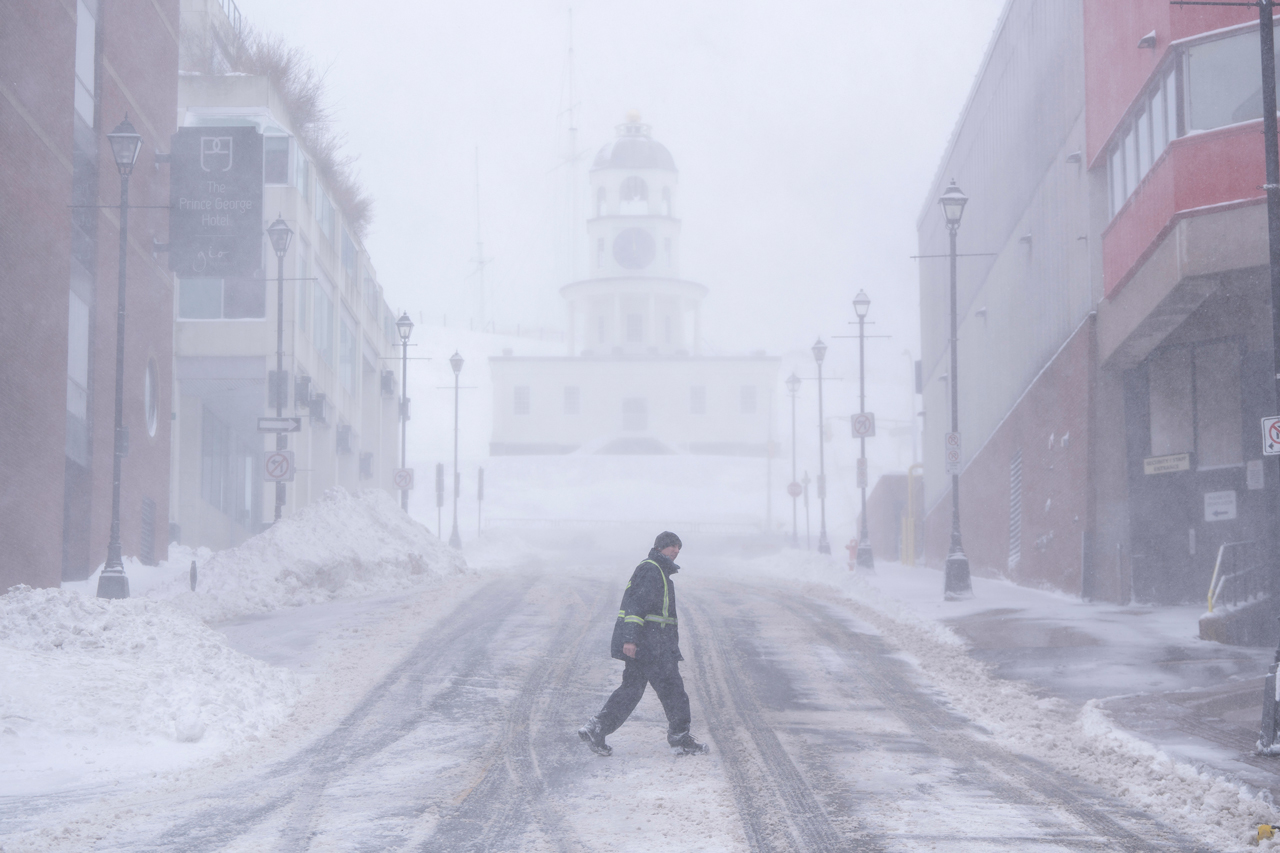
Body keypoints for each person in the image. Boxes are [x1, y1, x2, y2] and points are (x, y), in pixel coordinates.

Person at [578, 531, 709, 756]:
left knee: (632, 689)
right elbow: (635, 606)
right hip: (652, 645)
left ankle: (597, 728)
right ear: (659, 547)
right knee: (673, 691)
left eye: (679, 548)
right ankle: (680, 738)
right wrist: (630, 639)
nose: (676, 551)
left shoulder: (659, 571)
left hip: (652, 644)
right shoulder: (652, 569)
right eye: (672, 547)